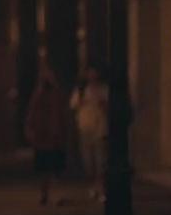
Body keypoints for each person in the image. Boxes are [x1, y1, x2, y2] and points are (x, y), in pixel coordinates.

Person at [25, 60, 70, 206]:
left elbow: (62, 114)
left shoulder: (57, 94)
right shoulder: (38, 95)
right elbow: (32, 114)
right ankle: (45, 194)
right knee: (44, 168)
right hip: (42, 137)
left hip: (54, 137)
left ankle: (54, 194)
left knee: (55, 168)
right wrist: (31, 129)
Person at [71, 64, 109, 202]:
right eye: (90, 73)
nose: (92, 76)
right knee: (88, 161)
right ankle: (93, 187)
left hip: (100, 128)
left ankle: (101, 189)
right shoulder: (81, 91)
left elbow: (108, 107)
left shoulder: (104, 90)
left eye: (95, 73)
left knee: (101, 161)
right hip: (85, 128)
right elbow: (73, 105)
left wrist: (102, 105)